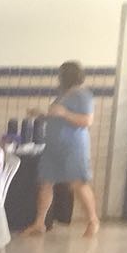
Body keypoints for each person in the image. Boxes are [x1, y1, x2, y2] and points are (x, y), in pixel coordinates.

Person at [25, 61, 101, 238]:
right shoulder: (62, 95)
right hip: (54, 147)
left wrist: (64, 113)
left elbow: (87, 121)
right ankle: (39, 223)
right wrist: (42, 115)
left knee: (78, 183)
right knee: (46, 182)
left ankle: (93, 220)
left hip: (73, 148)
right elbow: (57, 117)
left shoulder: (83, 95)